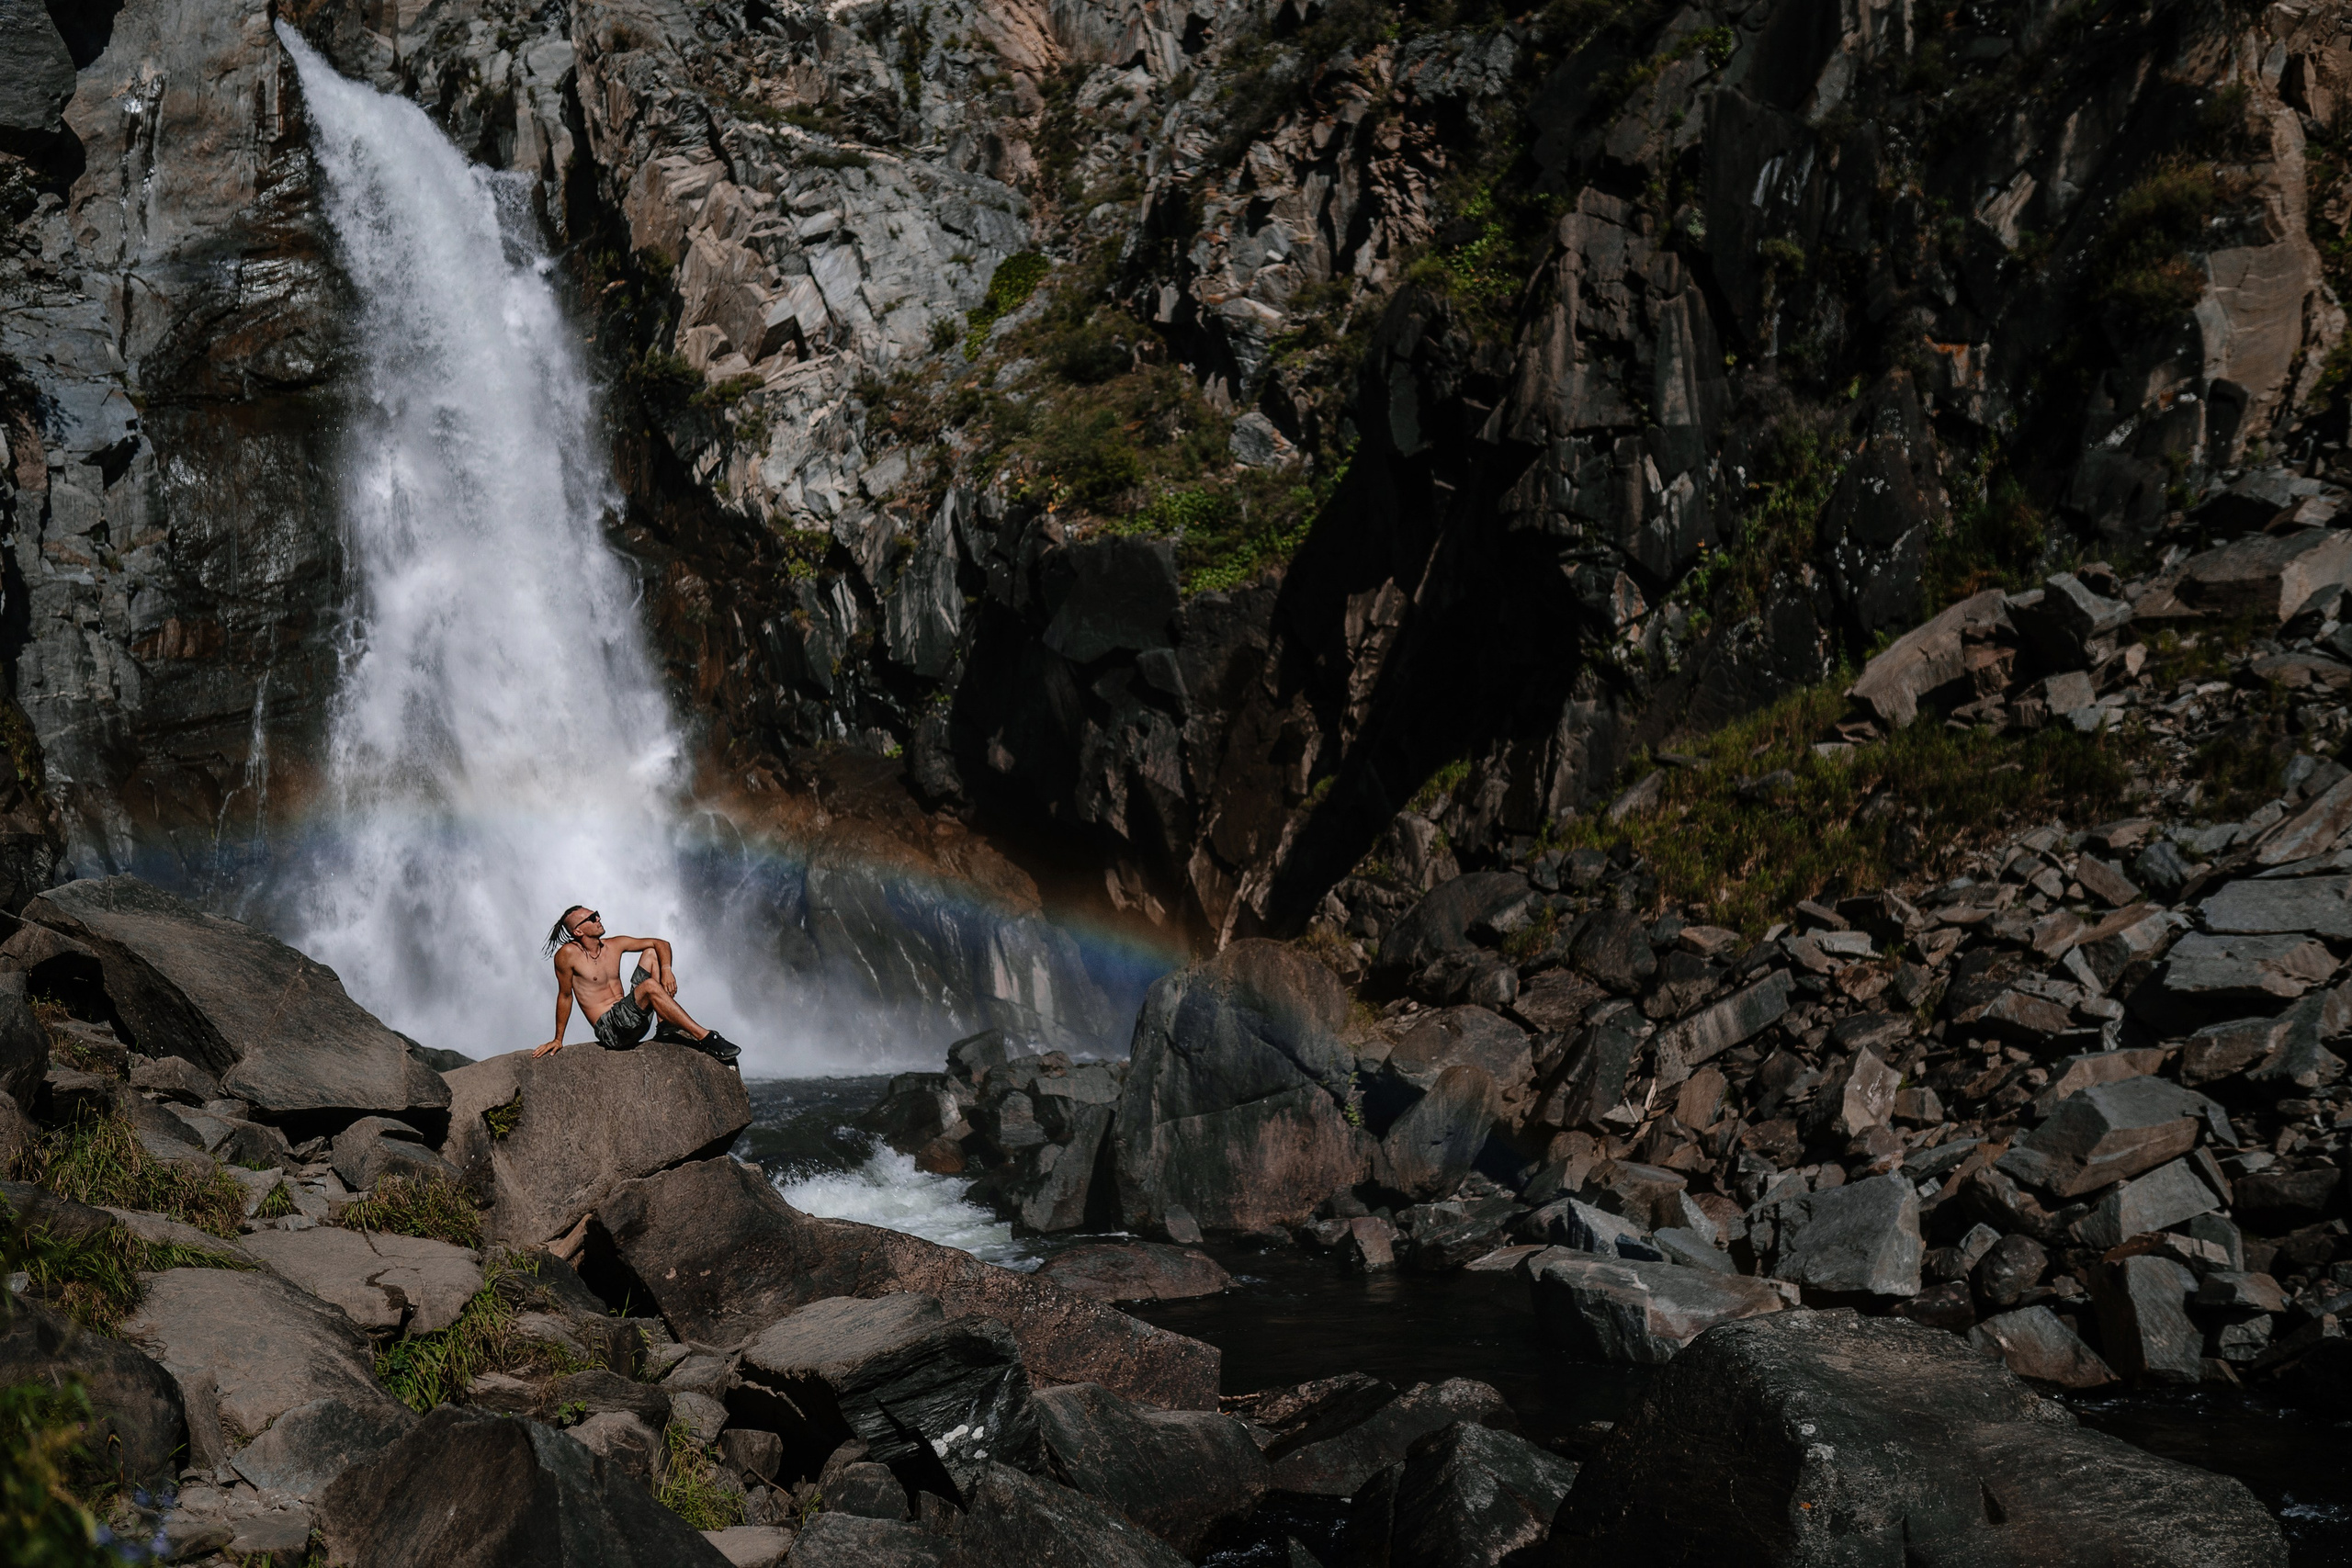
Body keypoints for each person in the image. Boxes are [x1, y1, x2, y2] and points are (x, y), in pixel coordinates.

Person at [531, 905, 741, 1066]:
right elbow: (565, 996)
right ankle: (706, 1037)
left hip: (632, 1019)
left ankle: (665, 1027)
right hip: (612, 1030)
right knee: (648, 986)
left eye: (597, 914)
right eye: (592, 918)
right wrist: (558, 1039)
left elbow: (661, 944)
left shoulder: (614, 944)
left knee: (651, 953)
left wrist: (666, 970)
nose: (598, 918)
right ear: (578, 931)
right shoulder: (567, 955)